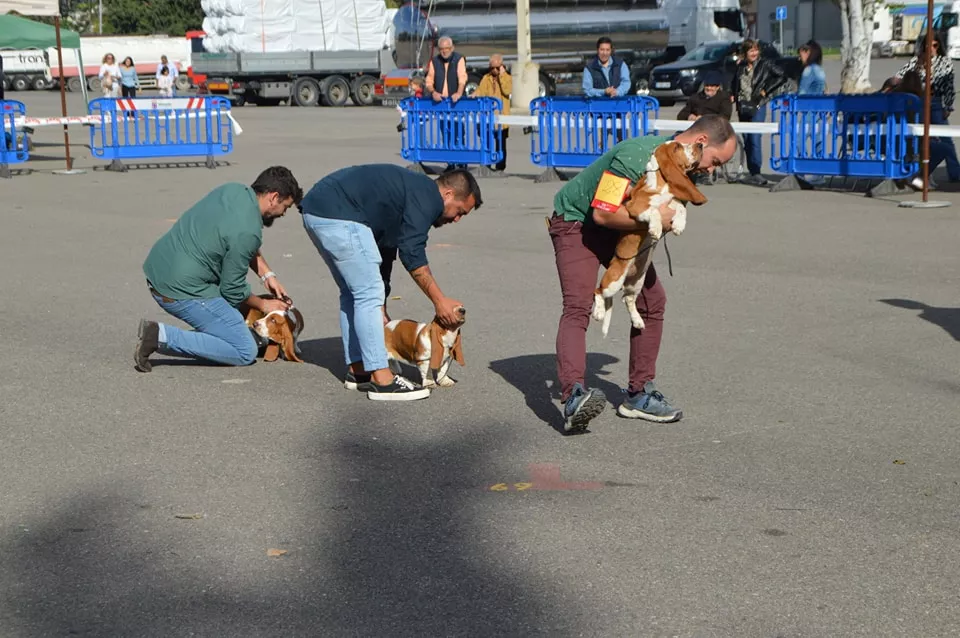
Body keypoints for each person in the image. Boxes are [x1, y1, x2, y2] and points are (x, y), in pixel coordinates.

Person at [548, 115, 737, 432]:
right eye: (715, 161)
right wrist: (657, 218)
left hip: (620, 231)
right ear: (701, 142)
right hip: (576, 223)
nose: (712, 170)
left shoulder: (681, 166)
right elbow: (602, 214)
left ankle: (639, 395)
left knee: (652, 301)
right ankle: (573, 397)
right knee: (579, 305)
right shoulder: (636, 155)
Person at [299, 165, 482, 401]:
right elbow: (411, 251)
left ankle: (360, 370)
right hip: (339, 214)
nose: (456, 219)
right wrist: (440, 301)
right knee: (367, 293)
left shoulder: (409, 193)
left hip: (317, 210)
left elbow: (385, 248)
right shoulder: (427, 196)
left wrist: (382, 305)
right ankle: (382, 380)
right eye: (460, 211)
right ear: (448, 194)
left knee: (354, 292)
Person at [134, 167, 303, 372]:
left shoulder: (232, 190)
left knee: (232, 323)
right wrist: (264, 304)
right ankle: (159, 336)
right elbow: (232, 290)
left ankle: (213, 333)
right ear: (274, 197)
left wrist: (267, 275)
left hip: (158, 268)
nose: (283, 213)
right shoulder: (248, 231)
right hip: (180, 290)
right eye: (285, 207)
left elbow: (236, 240)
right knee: (244, 349)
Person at [896, 31, 959, 188]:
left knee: (945, 137)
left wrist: (948, 105)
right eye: (928, 45)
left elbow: (949, 86)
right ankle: (918, 173)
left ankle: (955, 172)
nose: (931, 48)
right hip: (918, 102)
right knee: (919, 137)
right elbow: (900, 76)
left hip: (936, 102)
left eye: (935, 45)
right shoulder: (916, 60)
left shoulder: (944, 62)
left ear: (939, 46)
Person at [731, 40, 789, 186]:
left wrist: (765, 91)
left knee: (755, 138)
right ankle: (752, 172)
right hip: (743, 105)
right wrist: (733, 94)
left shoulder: (765, 64)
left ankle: (757, 172)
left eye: (756, 50)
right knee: (746, 138)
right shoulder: (741, 66)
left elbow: (782, 76)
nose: (754, 53)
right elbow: (735, 82)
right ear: (745, 53)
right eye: (751, 51)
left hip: (758, 104)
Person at [425, 36, 469, 172]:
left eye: (447, 48)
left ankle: (461, 163)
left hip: (456, 103)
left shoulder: (459, 59)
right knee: (445, 133)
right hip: (441, 104)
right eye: (441, 49)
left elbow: (462, 78)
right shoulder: (434, 61)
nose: (444, 51)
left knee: (459, 132)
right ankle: (450, 163)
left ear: (452, 48)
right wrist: (433, 92)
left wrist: (459, 93)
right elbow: (429, 80)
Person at [473, 53, 512, 172]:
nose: (494, 70)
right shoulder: (486, 78)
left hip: (501, 117)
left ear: (502, 66)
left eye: (497, 67)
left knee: (501, 144)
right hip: (488, 117)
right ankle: (488, 164)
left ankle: (500, 167)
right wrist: (474, 94)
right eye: (492, 67)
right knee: (487, 141)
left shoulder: (507, 77)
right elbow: (481, 91)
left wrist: (502, 75)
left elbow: (507, 90)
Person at [797, 40, 827, 185]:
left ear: (808, 52)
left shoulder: (808, 70)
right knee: (818, 142)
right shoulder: (820, 69)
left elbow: (802, 93)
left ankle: (800, 170)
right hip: (819, 110)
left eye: (801, 54)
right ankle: (819, 172)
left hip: (808, 111)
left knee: (798, 141)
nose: (800, 58)